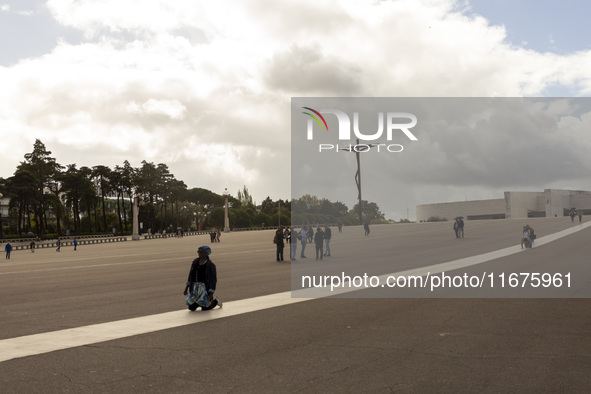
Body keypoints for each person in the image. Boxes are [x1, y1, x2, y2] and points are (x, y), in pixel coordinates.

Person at [183, 245, 222, 311]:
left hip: (204, 287)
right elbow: (190, 275)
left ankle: (215, 301)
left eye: (201, 252)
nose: (199, 254)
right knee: (191, 308)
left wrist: (211, 293)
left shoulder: (210, 265)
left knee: (205, 308)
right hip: (194, 287)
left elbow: (213, 280)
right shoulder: (195, 262)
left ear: (206, 253)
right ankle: (198, 303)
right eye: (198, 252)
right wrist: (186, 287)